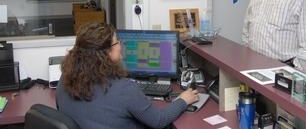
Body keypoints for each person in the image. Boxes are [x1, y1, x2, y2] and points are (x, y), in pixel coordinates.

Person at [56, 22, 199, 129]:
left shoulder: (65, 79)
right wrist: (183, 100)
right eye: (117, 42)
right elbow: (159, 120)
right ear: (106, 53)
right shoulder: (124, 90)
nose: (120, 45)